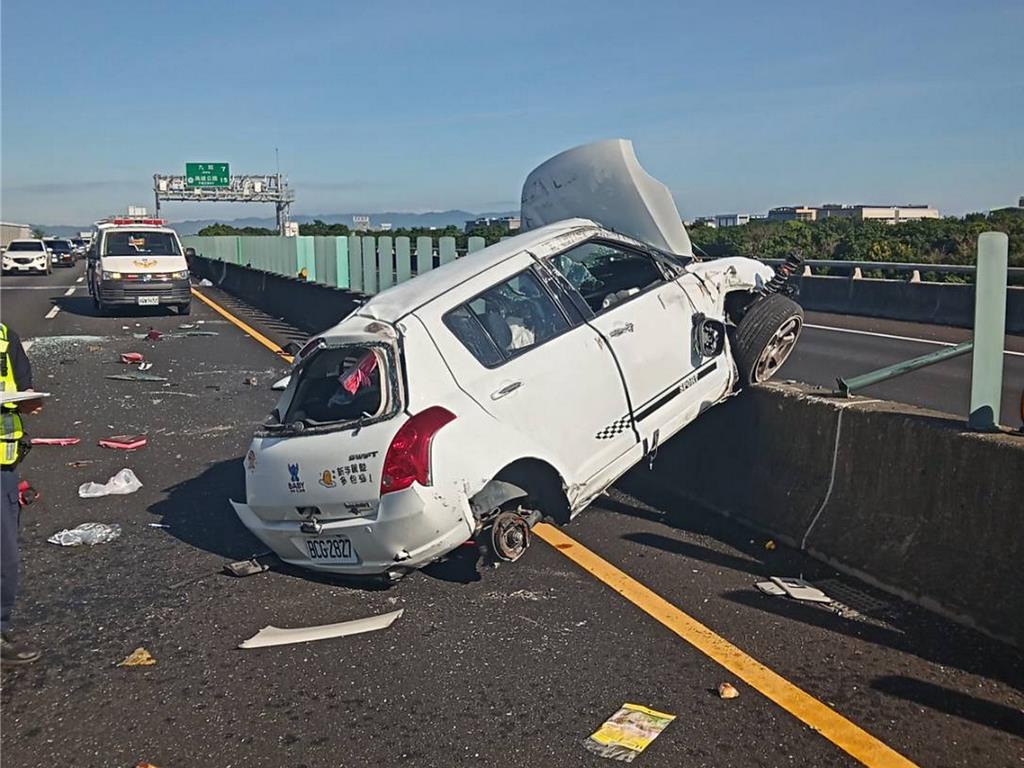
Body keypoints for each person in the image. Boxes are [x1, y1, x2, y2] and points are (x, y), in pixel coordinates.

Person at [1, 323, 42, 666]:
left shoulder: (5, 337)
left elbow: (25, 394)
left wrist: (28, 403)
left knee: (5, 558)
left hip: (2, 469)